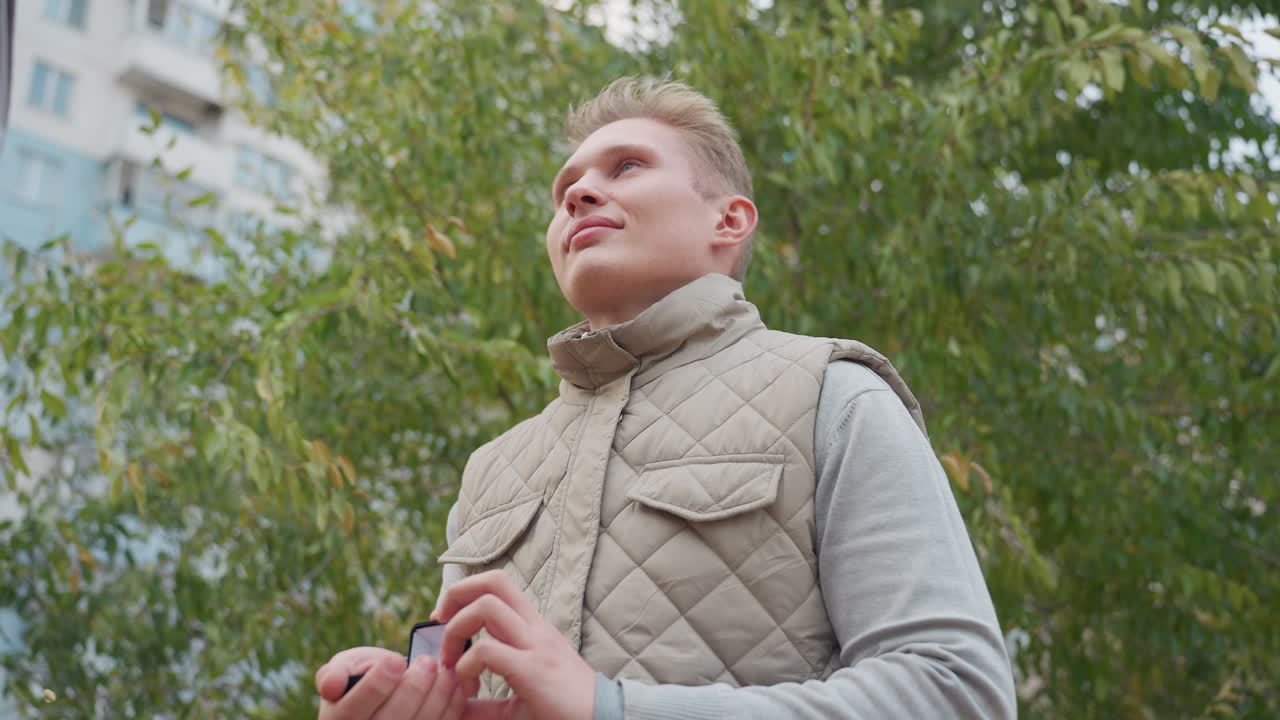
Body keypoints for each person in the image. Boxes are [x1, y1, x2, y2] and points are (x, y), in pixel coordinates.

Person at [314, 77, 1017, 720]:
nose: (578, 194)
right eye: (567, 186)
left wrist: (614, 708)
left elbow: (955, 691)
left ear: (729, 221)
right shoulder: (492, 470)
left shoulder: (833, 396)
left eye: (626, 167)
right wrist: (396, 701)